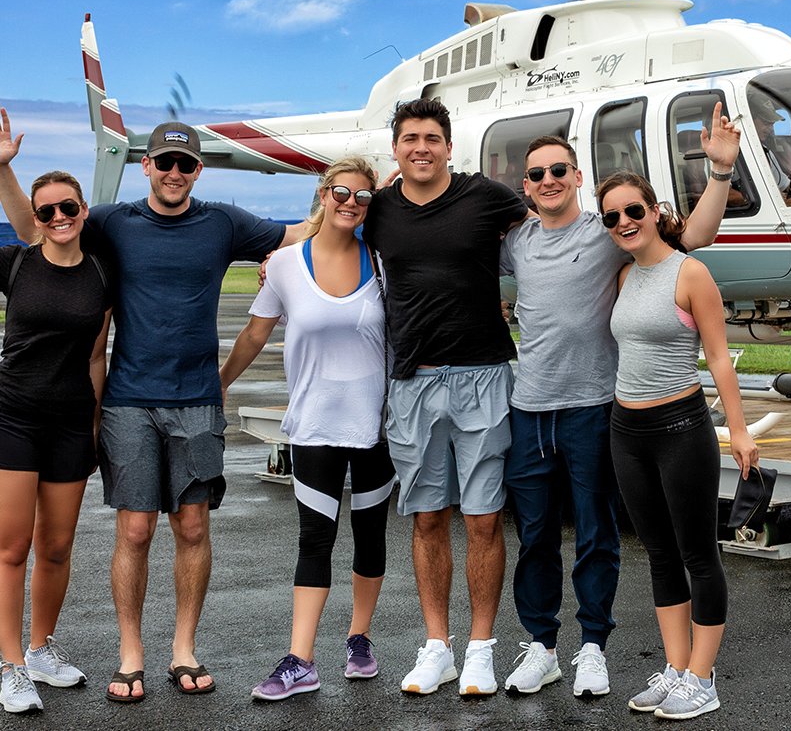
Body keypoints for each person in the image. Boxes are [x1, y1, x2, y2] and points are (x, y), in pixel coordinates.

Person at [0, 113, 306, 704]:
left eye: (184, 163)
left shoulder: (224, 223)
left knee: (192, 526)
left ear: (197, 169)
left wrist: (367, 202)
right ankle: (130, 654)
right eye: (162, 162)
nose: (172, 172)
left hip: (195, 400)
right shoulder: (112, 221)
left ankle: (183, 650)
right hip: (128, 401)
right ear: (146, 166)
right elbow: (37, 231)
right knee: (134, 529)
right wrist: (6, 170)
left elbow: (300, 234)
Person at [498, 104, 740, 698]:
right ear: (524, 187)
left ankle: (594, 649)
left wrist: (720, 171)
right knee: (535, 535)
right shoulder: (519, 243)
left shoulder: (608, 234)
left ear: (576, 176)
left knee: (598, 533)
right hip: (533, 405)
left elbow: (697, 236)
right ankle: (541, 647)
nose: (548, 181)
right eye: (536, 175)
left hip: (597, 407)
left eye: (559, 170)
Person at [362, 98, 529, 697]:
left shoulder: (485, 196)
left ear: (449, 146)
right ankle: (439, 646)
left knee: (483, 518)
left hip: (483, 375)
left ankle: (482, 647)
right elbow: (326, 230)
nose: (421, 149)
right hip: (413, 381)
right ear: (396, 147)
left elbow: (554, 218)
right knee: (427, 516)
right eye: (410, 139)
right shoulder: (379, 209)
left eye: (432, 138)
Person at [220, 157, 395, 701]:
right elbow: (254, 333)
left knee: (370, 538)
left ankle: (359, 640)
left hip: (376, 426)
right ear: (323, 195)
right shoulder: (287, 264)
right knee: (314, 540)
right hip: (315, 426)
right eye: (341, 192)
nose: (351, 202)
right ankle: (301, 659)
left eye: (363, 196)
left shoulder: (387, 262)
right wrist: (219, 383)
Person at [596, 170, 758, 721]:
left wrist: (737, 431)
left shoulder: (691, 273)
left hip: (681, 429)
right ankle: (676, 667)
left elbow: (717, 357)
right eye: (612, 216)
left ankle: (703, 677)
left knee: (698, 554)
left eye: (633, 211)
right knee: (660, 554)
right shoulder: (622, 277)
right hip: (627, 430)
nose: (624, 223)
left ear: (653, 209)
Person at [0, 155, 113, 714]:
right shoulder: (16, 263)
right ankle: (11, 666)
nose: (59, 216)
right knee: (12, 547)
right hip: (13, 417)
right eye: (47, 211)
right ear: (37, 219)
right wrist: (3, 171)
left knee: (57, 547)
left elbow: (97, 354)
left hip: (71, 422)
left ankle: (41, 648)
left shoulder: (100, 273)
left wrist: (92, 426)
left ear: (83, 211)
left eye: (69, 206)